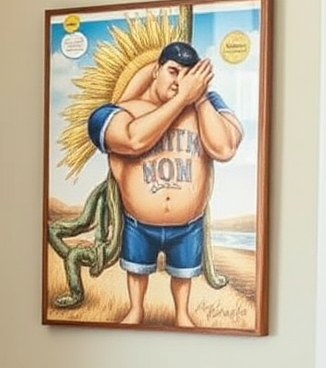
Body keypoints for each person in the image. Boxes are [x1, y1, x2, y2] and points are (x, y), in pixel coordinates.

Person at [86, 40, 244, 327]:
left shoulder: (202, 109)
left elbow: (224, 149)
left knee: (183, 276)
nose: (179, 82)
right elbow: (132, 140)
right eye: (172, 71)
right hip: (139, 223)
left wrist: (198, 98)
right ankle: (136, 309)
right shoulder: (123, 110)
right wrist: (180, 99)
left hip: (188, 225)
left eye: (188, 75)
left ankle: (182, 313)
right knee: (137, 271)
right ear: (155, 70)